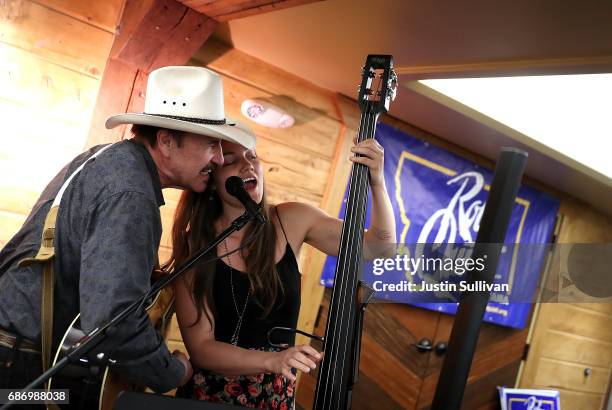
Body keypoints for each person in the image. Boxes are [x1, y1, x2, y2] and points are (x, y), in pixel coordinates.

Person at [0, 66, 255, 401]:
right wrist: (172, 372)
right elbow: (112, 323)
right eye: (211, 144)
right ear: (166, 140)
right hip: (19, 368)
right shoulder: (132, 194)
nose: (219, 158)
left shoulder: (106, 159)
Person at [171, 133, 396, 408]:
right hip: (211, 396)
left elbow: (379, 249)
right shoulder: (197, 246)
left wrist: (378, 181)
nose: (248, 165)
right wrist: (272, 360)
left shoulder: (290, 219)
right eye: (230, 160)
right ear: (212, 181)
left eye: (253, 156)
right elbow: (201, 348)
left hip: (274, 398)